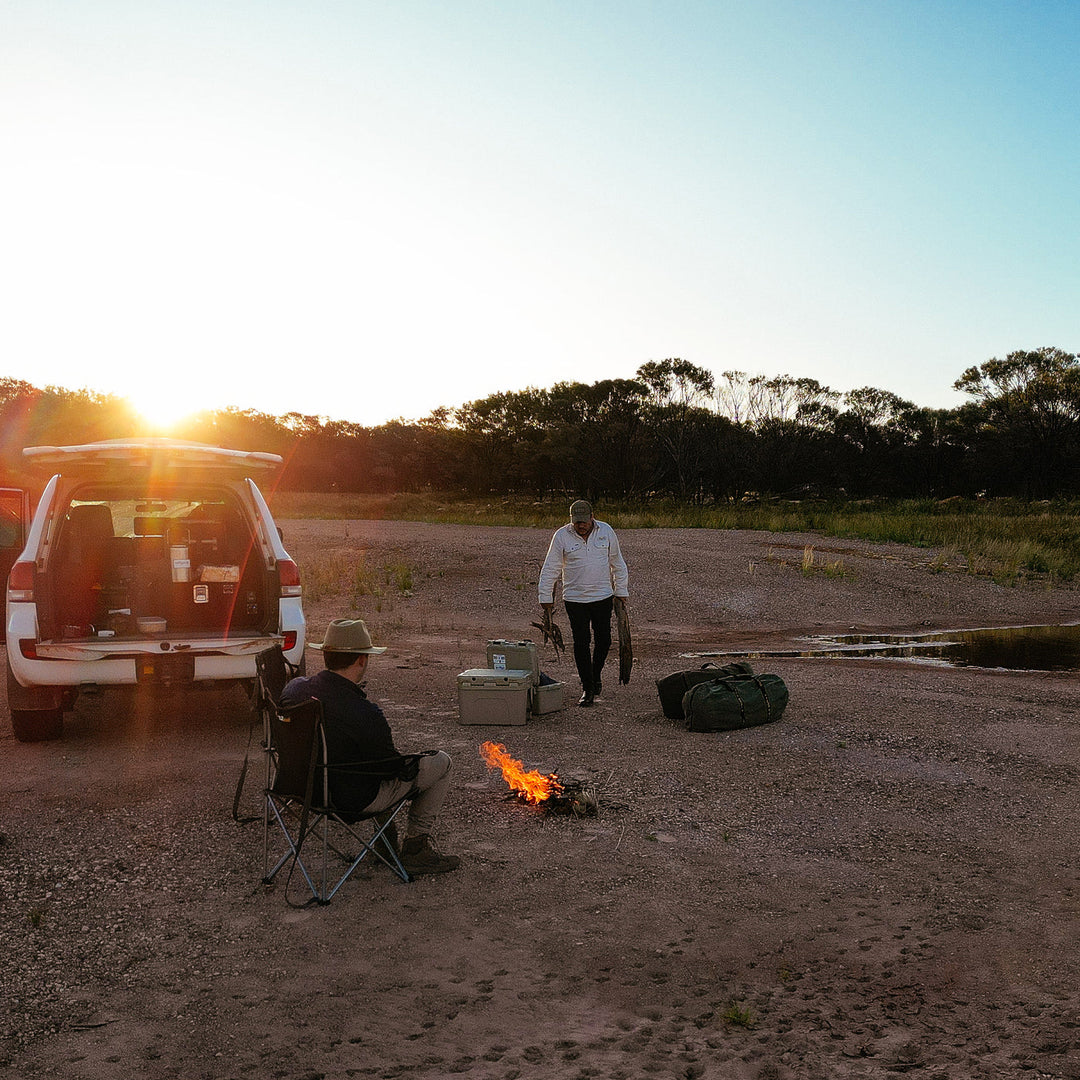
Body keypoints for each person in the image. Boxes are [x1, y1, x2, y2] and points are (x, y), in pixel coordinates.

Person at [280, 618, 460, 875]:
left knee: (365, 765)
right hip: (347, 801)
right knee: (441, 762)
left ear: (326, 654)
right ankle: (416, 849)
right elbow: (389, 769)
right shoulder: (365, 714)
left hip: (300, 790)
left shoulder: (293, 691)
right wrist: (412, 761)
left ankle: (385, 843)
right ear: (362, 659)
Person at [538, 499, 629, 707]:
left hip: (603, 597)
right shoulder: (561, 535)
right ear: (572, 520)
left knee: (604, 640)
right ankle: (587, 688)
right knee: (581, 643)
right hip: (575, 599)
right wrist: (545, 598)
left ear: (592, 517)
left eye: (584, 521)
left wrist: (621, 591)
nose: (581, 525)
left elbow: (617, 563)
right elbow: (551, 567)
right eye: (577, 522)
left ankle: (595, 675)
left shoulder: (606, 531)